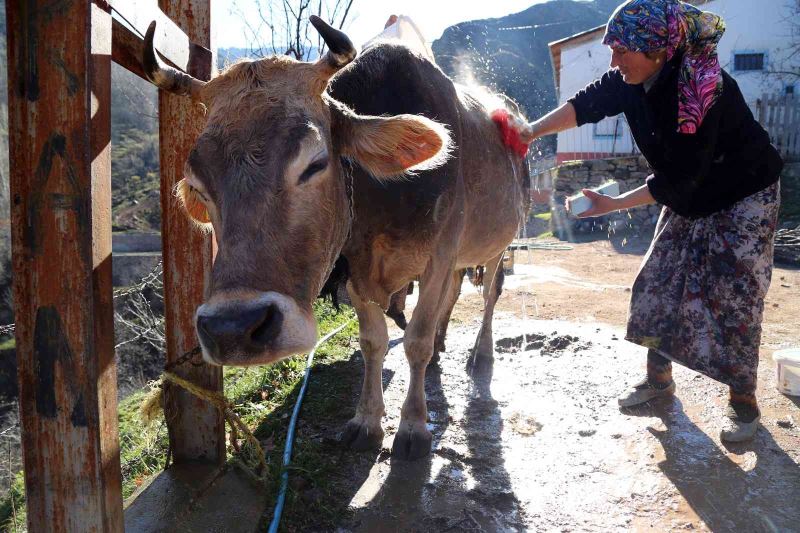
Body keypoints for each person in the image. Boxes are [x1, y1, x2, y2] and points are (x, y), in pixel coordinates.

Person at [522, 0, 783, 442]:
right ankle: (659, 381)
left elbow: (682, 179)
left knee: (735, 294)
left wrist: (612, 204)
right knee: (656, 281)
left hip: (744, 192)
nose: (613, 60)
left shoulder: (702, 90)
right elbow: (585, 104)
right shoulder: (630, 79)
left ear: (658, 50)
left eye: (622, 50)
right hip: (689, 186)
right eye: (612, 49)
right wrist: (528, 131)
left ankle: (743, 403)